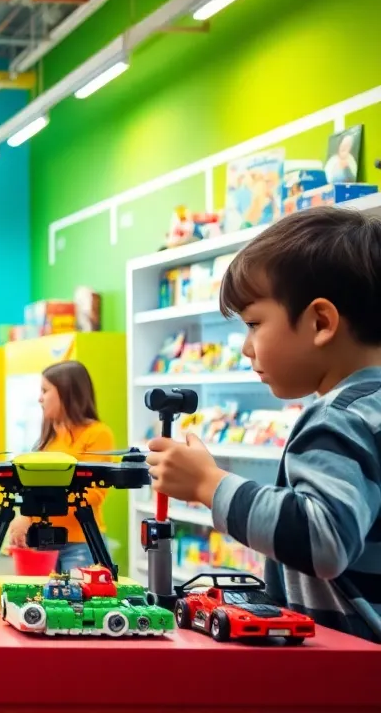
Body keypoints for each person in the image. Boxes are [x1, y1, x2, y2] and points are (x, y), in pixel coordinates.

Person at [148, 207, 381, 642]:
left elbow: (322, 538)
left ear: (321, 322)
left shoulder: (339, 418)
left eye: (254, 324)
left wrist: (208, 483)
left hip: (354, 661)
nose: (246, 347)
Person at [6, 361, 114, 572]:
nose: (40, 398)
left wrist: (33, 513)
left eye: (45, 390)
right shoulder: (48, 437)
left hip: (81, 544)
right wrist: (26, 517)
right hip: (42, 541)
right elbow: (34, 489)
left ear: (66, 392)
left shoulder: (97, 434)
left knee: (80, 595)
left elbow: (93, 494)